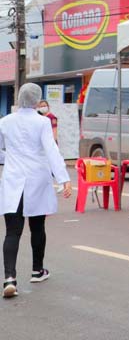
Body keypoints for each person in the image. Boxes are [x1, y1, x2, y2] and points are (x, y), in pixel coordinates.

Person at [0, 84, 71, 298]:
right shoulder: (42, 122)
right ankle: (37, 270)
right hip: (36, 179)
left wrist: (11, 158)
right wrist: (64, 179)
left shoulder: (4, 122)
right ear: (37, 101)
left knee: (12, 231)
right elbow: (51, 150)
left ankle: (9, 278)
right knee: (37, 226)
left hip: (13, 179)